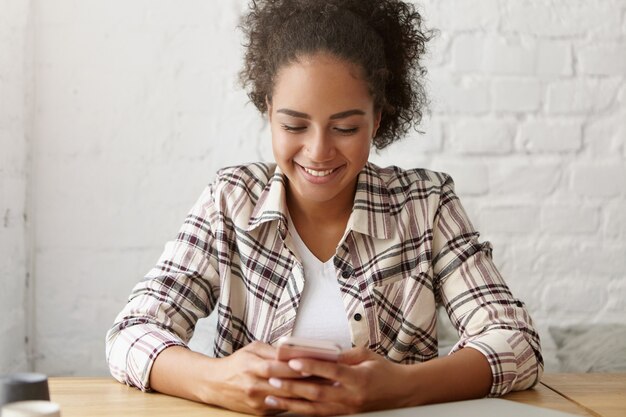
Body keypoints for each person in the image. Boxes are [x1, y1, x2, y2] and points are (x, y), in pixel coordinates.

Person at [105, 0, 543, 415]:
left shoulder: (425, 206)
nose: (318, 151)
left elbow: (517, 342)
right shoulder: (231, 199)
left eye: (346, 127)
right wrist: (215, 380)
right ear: (267, 110)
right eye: (294, 124)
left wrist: (400, 388)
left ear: (377, 118)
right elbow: (132, 332)